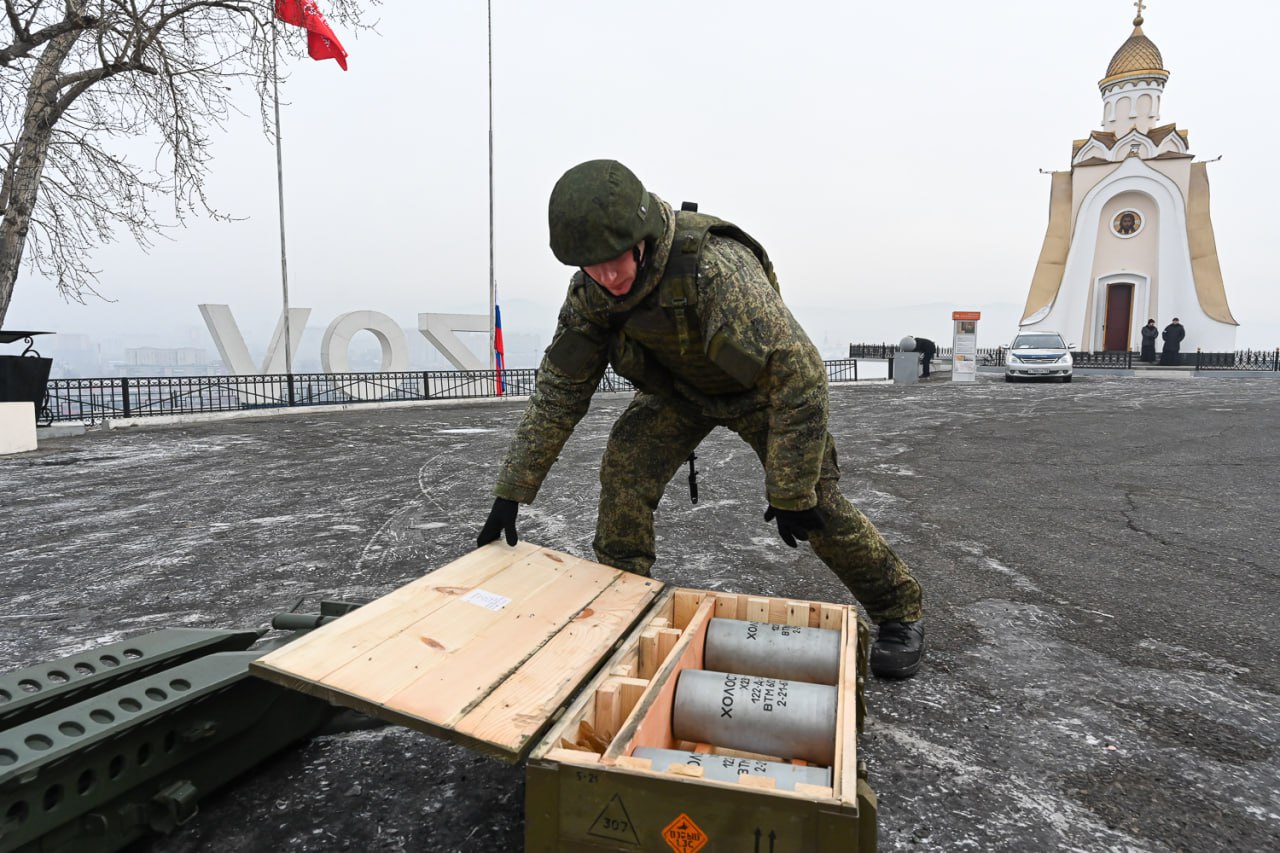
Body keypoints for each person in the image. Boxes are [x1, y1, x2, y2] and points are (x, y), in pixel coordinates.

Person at [476, 160, 926, 679]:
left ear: (641, 238)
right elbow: (559, 392)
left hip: (761, 392)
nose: (607, 276)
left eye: (613, 260)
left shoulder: (717, 271)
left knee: (814, 505)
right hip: (683, 393)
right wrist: (513, 489)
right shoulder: (591, 296)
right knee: (626, 467)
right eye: (589, 266)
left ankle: (899, 610)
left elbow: (799, 377)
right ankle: (622, 604)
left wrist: (790, 489)